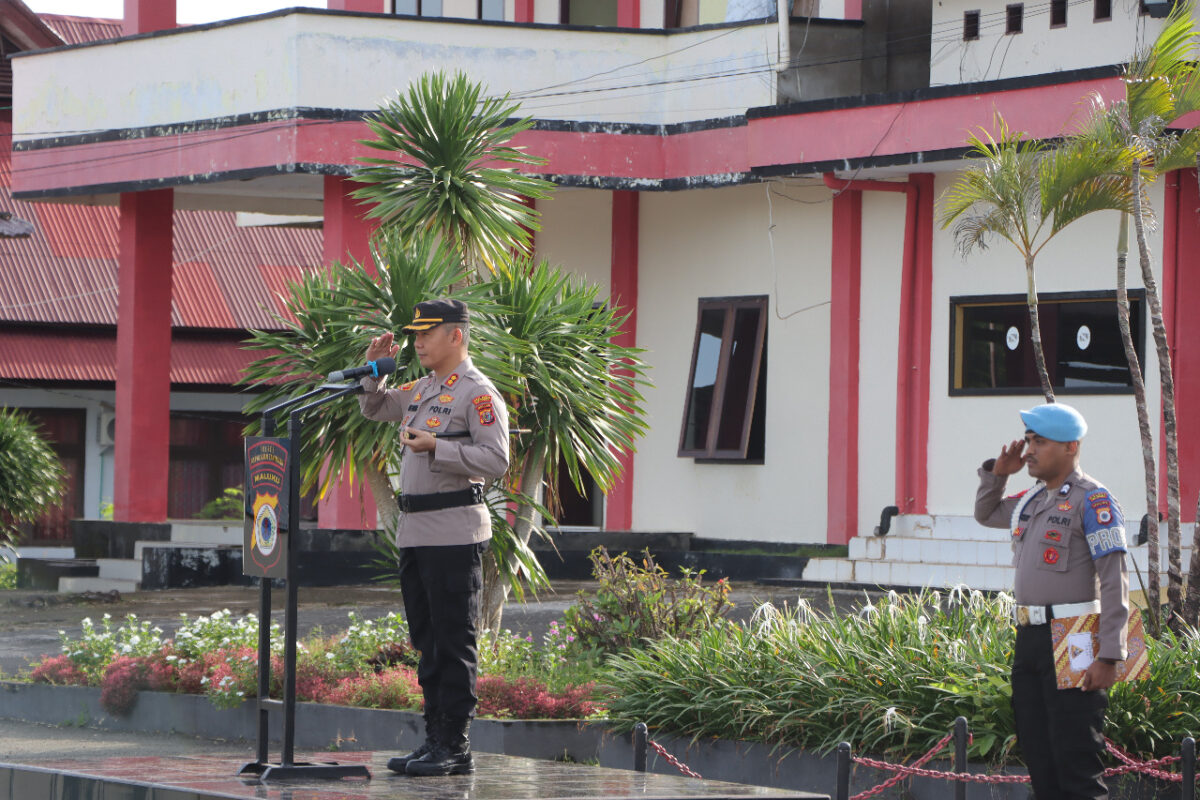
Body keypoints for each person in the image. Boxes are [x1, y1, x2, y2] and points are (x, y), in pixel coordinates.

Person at [358, 298, 509, 777]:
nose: (418, 343)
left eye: (427, 334)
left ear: (456, 335)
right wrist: (373, 369)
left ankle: (455, 745)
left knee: (453, 641)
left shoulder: (477, 394)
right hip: (416, 533)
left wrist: (438, 447)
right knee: (427, 641)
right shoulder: (422, 389)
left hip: (454, 532)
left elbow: (497, 459)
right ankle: (434, 740)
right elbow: (374, 407)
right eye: (415, 335)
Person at [974, 402, 1129, 800]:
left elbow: (1114, 580)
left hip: (1074, 636)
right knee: (1039, 759)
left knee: (1076, 763)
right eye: (1028, 441)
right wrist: (999, 475)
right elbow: (986, 513)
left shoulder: (1093, 500)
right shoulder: (1032, 500)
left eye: (1039, 442)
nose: (1029, 451)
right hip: (1030, 638)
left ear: (1070, 446)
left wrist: (1110, 655)